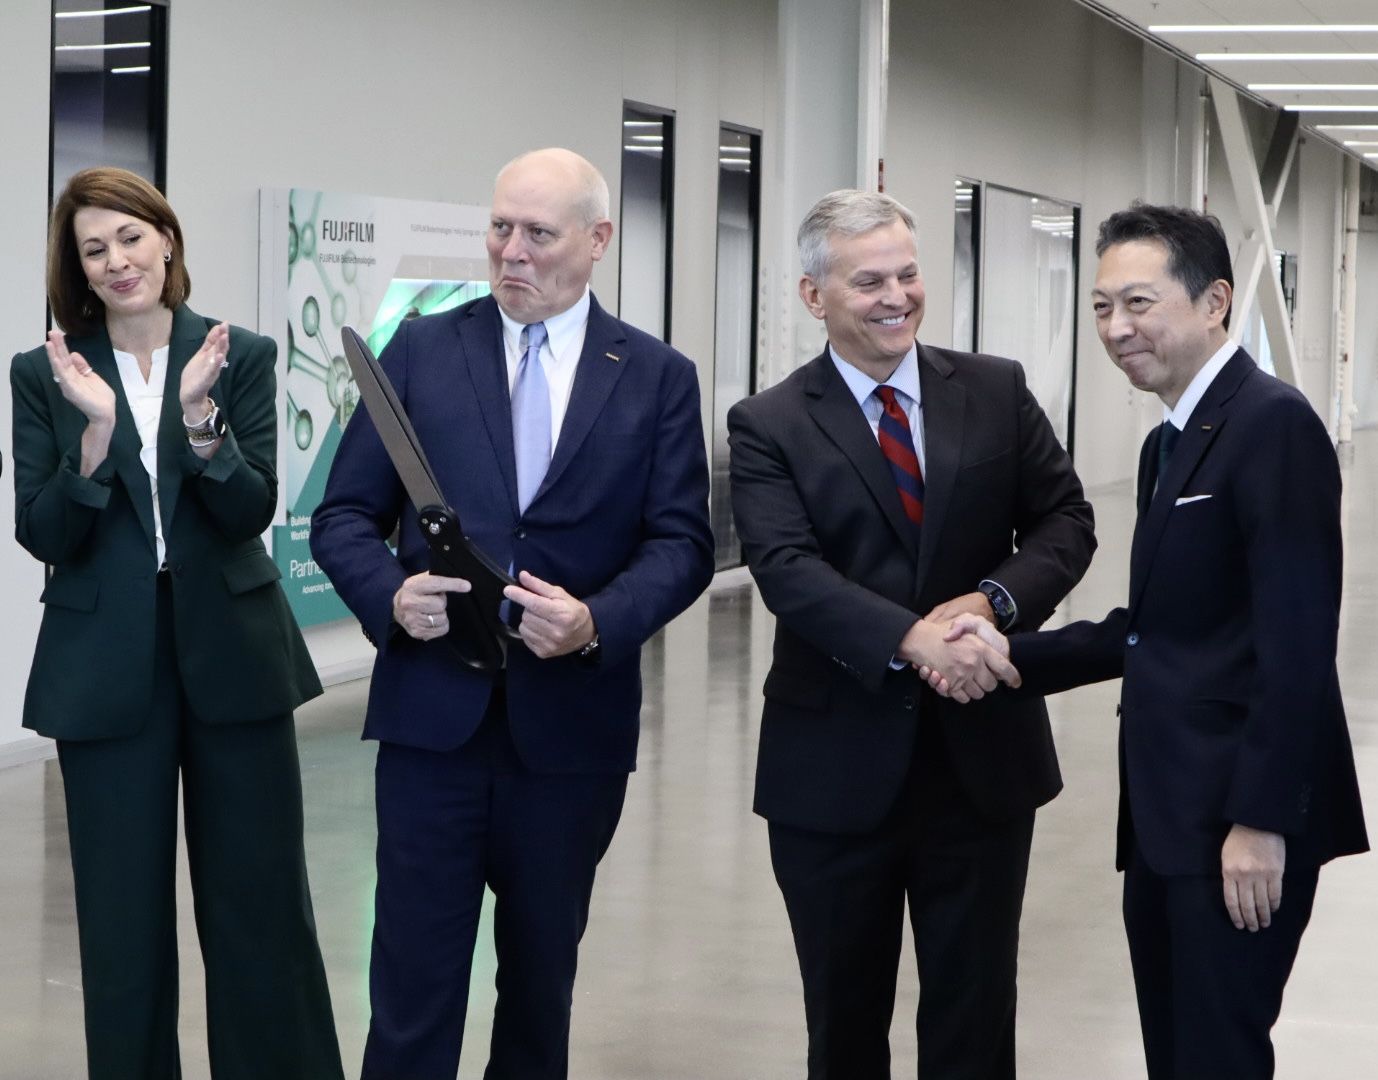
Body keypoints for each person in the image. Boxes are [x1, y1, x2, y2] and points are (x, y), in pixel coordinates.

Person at [938, 203, 1369, 1079]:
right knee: (1175, 1051)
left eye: (1138, 302)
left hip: (1234, 823)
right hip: (1168, 816)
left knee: (1216, 1054)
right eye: (1100, 307)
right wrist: (1007, 652)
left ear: (1214, 302)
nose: (1116, 327)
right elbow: (1155, 628)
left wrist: (1260, 820)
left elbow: (1296, 641)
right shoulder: (1167, 444)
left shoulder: (1271, 425)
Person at [310, 147, 714, 1080]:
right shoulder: (420, 350)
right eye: (500, 228)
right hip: (430, 731)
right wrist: (387, 595)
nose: (512, 253)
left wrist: (597, 620)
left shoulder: (656, 376)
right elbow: (342, 517)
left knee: (539, 993)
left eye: (539, 233)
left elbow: (683, 544)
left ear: (597, 241)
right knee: (411, 987)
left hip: (569, 737)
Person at [726, 189, 1096, 1079]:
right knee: (844, 1025)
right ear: (814, 297)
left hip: (981, 766)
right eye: (869, 282)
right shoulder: (768, 423)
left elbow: (1065, 521)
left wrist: (990, 605)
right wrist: (915, 640)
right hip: (835, 771)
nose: (897, 297)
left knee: (975, 1020)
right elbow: (786, 570)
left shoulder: (996, 389)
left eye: (908, 274)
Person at [9, 167, 343, 1080]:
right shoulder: (46, 372)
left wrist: (200, 422)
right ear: (76, 268)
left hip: (233, 652)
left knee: (263, 907)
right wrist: (90, 436)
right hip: (104, 664)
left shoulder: (242, 356)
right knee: (121, 920)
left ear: (167, 238)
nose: (117, 261)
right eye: (93, 249)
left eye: (129, 237)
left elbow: (248, 514)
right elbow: (43, 532)